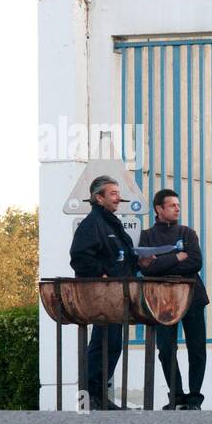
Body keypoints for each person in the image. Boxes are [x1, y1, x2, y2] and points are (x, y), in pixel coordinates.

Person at [138, 189, 209, 410]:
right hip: (162, 300)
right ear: (159, 209)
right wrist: (177, 257)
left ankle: (195, 397)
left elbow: (196, 262)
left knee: (197, 348)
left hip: (192, 297)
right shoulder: (146, 236)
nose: (177, 208)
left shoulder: (188, 233)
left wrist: (161, 261)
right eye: (172, 205)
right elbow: (147, 269)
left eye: (178, 205)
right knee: (166, 349)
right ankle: (176, 397)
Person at [69, 175, 135, 411]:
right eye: (113, 194)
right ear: (99, 198)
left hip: (117, 296)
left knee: (113, 344)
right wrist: (102, 275)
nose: (118, 198)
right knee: (102, 344)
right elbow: (79, 257)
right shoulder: (92, 224)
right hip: (101, 297)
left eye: (118, 193)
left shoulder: (111, 223)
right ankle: (89, 397)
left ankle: (99, 395)